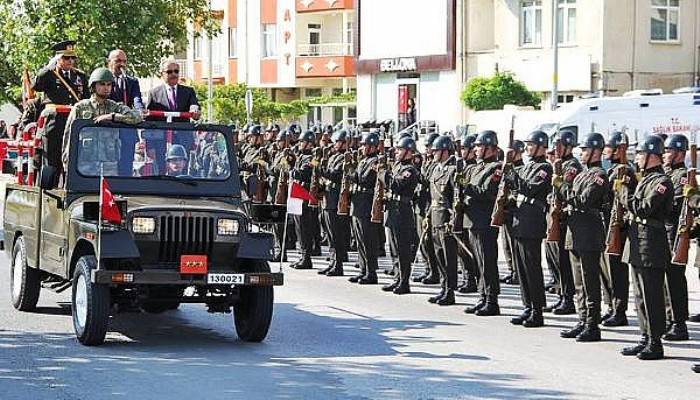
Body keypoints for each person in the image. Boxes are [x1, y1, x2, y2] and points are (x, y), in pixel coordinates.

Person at [620, 135, 673, 360]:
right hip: (637, 240)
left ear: (652, 155)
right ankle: (644, 336)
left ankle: (655, 342)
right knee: (640, 295)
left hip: (651, 242)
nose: (638, 158)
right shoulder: (645, 179)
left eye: (641, 154)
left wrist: (624, 192)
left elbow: (644, 208)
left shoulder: (662, 182)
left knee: (652, 294)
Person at [560, 133, 610, 342]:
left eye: (586, 150)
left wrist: (561, 187)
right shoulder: (582, 174)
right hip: (575, 231)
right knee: (579, 281)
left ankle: (592, 324)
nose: (582, 153)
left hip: (589, 232)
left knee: (590, 282)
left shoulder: (599, 175)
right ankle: (582, 320)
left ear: (596, 152)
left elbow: (583, 201)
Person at [505, 130, 552, 328]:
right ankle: (527, 305)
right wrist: (508, 167)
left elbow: (529, 187)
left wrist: (510, 170)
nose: (528, 148)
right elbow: (512, 184)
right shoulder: (526, 167)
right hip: (519, 218)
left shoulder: (544, 168)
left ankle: (537, 310)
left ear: (541, 147)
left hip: (532, 221)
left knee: (532, 267)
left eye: (532, 145)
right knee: (521, 267)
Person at [62, 67, 142, 168]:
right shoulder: (80, 107)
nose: (106, 88)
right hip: (84, 166)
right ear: (93, 86)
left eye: (109, 84)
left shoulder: (114, 107)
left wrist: (113, 117)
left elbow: (137, 117)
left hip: (109, 165)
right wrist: (67, 164)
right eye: (102, 84)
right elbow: (69, 136)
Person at [461, 130, 502, 316]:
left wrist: (467, 186)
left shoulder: (496, 168)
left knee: (487, 261)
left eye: (479, 146)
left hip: (485, 220)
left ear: (489, 148)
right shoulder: (477, 167)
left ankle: (492, 300)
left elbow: (487, 192)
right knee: (478, 261)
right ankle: (482, 296)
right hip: (473, 219)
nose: (475, 149)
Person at [601, 131, 636, 327]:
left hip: (618, 227)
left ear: (618, 150)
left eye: (609, 147)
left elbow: (626, 199)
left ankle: (619, 310)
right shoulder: (612, 170)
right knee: (606, 271)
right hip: (606, 224)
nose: (605, 151)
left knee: (617, 272)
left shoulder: (626, 172)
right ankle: (611, 307)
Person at [545, 130, 581, 315]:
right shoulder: (558, 165)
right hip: (554, 216)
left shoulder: (572, 166)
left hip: (565, 218)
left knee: (564, 262)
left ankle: (568, 299)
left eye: (559, 146)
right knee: (555, 260)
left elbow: (565, 189)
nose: (556, 150)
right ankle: (561, 295)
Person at [145, 59, 200, 171]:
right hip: (161, 142)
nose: (173, 74)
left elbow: (194, 105)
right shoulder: (154, 93)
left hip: (183, 140)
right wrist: (150, 146)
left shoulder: (188, 91)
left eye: (176, 71)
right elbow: (148, 122)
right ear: (162, 74)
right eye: (169, 72)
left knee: (183, 174)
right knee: (162, 171)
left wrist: (194, 111)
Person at [381, 136, 420, 294]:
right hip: (392, 210)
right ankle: (397, 278)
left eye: (400, 150)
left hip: (402, 212)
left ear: (409, 152)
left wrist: (383, 172)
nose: (396, 152)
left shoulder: (410, 170)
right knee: (394, 248)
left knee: (403, 250)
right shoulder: (398, 166)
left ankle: (404, 282)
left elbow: (395, 184)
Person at [661, 134, 690, 341]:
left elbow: (673, 205)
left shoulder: (681, 176)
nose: (665, 155)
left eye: (669, 151)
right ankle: (669, 319)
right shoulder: (667, 173)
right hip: (663, 231)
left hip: (673, 232)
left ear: (680, 153)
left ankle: (679, 323)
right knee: (664, 279)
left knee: (674, 278)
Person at [427, 134, 459, 306]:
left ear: (445, 151)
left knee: (449, 257)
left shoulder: (452, 170)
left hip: (446, 219)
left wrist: (453, 220)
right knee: (439, 255)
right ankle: (443, 287)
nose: (433, 154)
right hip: (435, 216)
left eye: (436, 151)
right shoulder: (436, 169)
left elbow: (455, 198)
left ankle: (450, 291)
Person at [348, 132, 380, 284]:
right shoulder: (363, 161)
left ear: (373, 146)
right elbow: (356, 177)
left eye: (365, 145)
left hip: (367, 203)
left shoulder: (375, 161)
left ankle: (371, 272)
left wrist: (351, 171)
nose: (362, 147)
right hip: (357, 202)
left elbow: (364, 179)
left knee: (367, 239)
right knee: (359, 238)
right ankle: (363, 269)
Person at [319, 130, 352, 277]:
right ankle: (332, 262)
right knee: (330, 234)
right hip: (328, 199)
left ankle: (338, 264)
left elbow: (336, 174)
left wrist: (321, 170)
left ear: (344, 143)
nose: (335, 144)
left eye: (338, 142)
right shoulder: (333, 157)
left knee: (336, 235)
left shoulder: (346, 158)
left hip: (336, 200)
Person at [456, 133, 480, 293]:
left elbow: (473, 188)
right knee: (462, 248)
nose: (463, 151)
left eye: (465, 148)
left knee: (472, 251)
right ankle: (467, 278)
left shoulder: (474, 167)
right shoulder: (464, 166)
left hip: (474, 214)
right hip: (462, 212)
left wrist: (461, 180)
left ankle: (473, 279)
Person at [290, 131, 318, 270]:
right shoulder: (301, 156)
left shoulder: (313, 158)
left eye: (302, 142)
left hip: (304, 194)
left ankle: (306, 257)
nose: (300, 144)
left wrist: (290, 167)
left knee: (304, 227)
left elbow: (304, 174)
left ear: (309, 143)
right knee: (298, 227)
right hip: (297, 193)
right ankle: (302, 256)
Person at [33, 40, 90, 105]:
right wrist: (47, 68)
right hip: (54, 112)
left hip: (74, 112)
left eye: (73, 57)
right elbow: (36, 87)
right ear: (58, 58)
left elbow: (87, 97)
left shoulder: (80, 75)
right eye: (66, 57)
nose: (70, 60)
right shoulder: (49, 74)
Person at [500, 139, 525, 285]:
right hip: (506, 209)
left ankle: (517, 271)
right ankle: (512, 270)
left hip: (515, 209)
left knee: (513, 243)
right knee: (506, 243)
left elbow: (519, 188)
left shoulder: (521, 169)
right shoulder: (508, 168)